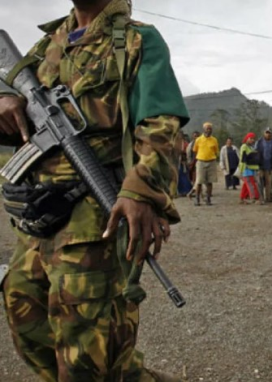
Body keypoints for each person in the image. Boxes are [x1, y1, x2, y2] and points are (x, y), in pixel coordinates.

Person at [0, 0, 189, 380]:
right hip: (38, 217)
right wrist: (5, 101)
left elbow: (161, 122)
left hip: (94, 217)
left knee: (88, 355)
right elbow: (12, 103)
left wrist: (141, 190)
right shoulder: (45, 46)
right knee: (26, 317)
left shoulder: (137, 41)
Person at [193, 122, 219, 206]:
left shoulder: (214, 140)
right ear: (204, 129)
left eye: (210, 129)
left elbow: (216, 151)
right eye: (207, 128)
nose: (209, 130)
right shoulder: (198, 140)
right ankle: (197, 199)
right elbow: (195, 150)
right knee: (199, 181)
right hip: (201, 161)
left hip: (211, 161)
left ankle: (208, 199)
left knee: (210, 182)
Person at [256, 127, 272, 203]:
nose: (268, 134)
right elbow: (255, 153)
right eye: (267, 133)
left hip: (270, 166)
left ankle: (268, 197)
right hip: (260, 166)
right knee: (260, 183)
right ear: (264, 133)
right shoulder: (259, 142)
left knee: (269, 183)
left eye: (269, 133)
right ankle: (261, 198)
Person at [239, 132, 260, 204]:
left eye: (253, 139)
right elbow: (243, 158)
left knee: (246, 184)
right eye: (251, 138)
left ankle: (242, 197)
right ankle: (253, 197)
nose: (252, 140)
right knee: (251, 183)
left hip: (251, 168)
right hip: (246, 168)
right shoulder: (244, 146)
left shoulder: (251, 147)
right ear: (247, 138)